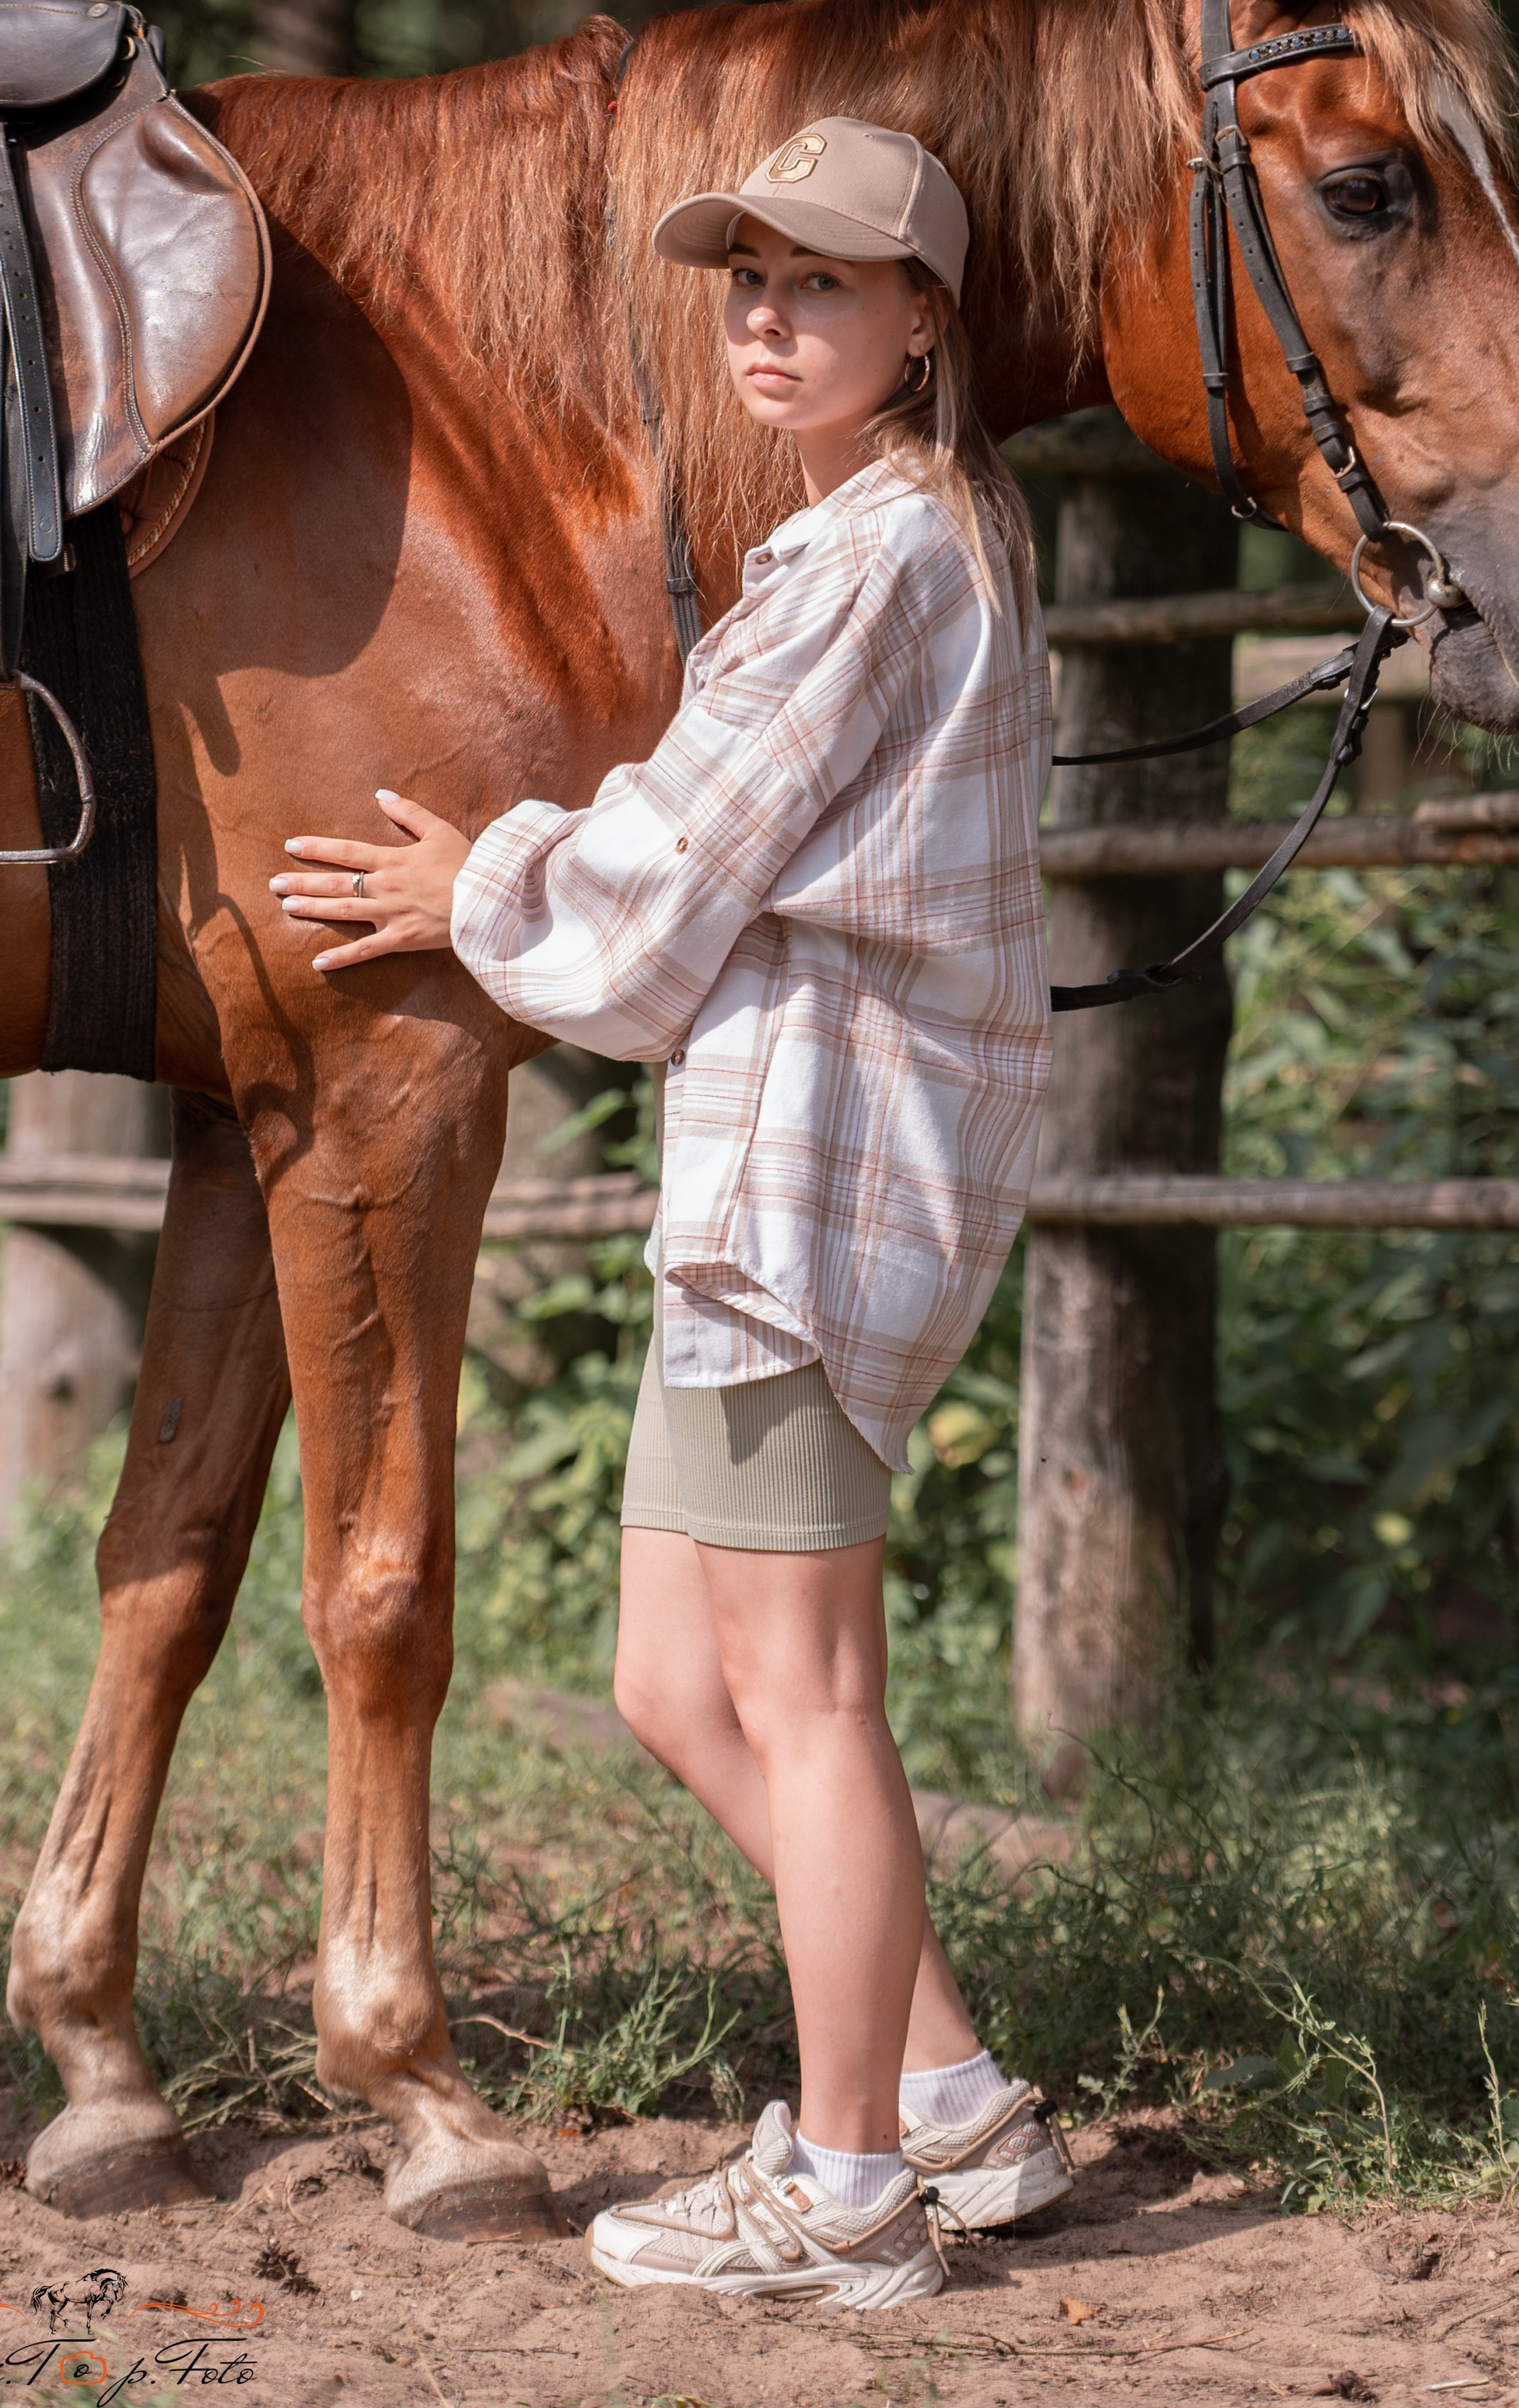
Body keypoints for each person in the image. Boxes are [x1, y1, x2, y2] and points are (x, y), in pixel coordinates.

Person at [270, 115, 1069, 2312]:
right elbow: (706, 842)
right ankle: (956, 2104)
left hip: (818, 1175)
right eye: (745, 278)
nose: (767, 315)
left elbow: (671, 880)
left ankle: (842, 2189)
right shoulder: (874, 548)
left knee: (805, 1693)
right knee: (663, 1678)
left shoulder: (884, 557)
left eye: (822, 282)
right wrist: (538, 862)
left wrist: (473, 879)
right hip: (774, 1174)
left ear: (924, 320)